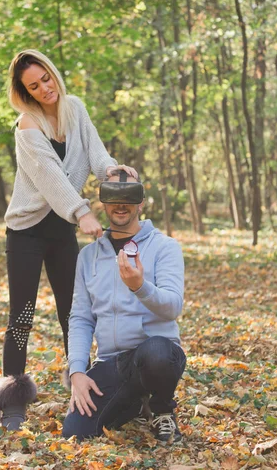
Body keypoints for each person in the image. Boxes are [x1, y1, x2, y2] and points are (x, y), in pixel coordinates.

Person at [0, 50, 137, 430]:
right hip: (27, 230)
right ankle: (13, 402)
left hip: (60, 231)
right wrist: (83, 212)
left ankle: (84, 391)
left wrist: (113, 169)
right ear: (25, 92)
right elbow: (51, 177)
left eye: (46, 79)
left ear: (53, 74)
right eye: (34, 86)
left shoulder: (75, 108)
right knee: (21, 316)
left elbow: (96, 153)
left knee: (75, 313)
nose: (44, 89)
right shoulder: (27, 126)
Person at [62, 170, 186, 443]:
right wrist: (78, 372)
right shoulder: (88, 256)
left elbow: (173, 307)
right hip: (113, 362)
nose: (121, 204)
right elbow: (81, 318)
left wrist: (140, 287)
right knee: (75, 433)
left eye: (129, 197)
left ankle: (162, 408)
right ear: (103, 203)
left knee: (156, 352)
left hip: (158, 354)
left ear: (141, 202)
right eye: (113, 197)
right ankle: (134, 403)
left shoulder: (165, 247)